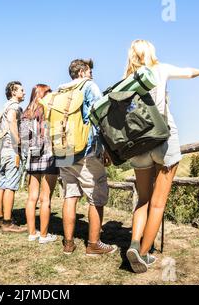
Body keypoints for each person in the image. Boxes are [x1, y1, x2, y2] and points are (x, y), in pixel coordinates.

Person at [124, 40, 199, 273]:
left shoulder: (127, 80)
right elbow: (186, 72)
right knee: (158, 203)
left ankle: (134, 244)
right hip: (163, 138)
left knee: (143, 199)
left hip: (138, 144)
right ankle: (143, 255)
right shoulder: (160, 69)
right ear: (150, 53)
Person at [56, 59, 118, 256]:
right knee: (95, 196)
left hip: (63, 149)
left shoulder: (61, 91)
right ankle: (93, 244)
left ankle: (68, 243)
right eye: (89, 70)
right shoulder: (89, 86)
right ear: (82, 72)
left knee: (70, 195)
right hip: (86, 148)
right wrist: (106, 148)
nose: (92, 74)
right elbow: (102, 116)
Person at [22, 84, 60, 244]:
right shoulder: (50, 112)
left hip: (33, 157)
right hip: (50, 156)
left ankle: (32, 233)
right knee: (46, 199)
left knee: (32, 198)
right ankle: (44, 236)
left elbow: (24, 142)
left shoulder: (26, 114)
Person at [0, 81, 28, 233]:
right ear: (13, 92)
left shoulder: (4, 106)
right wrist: (19, 142)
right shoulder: (14, 107)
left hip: (2, 151)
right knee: (10, 186)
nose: (24, 92)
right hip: (12, 150)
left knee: (1, 185)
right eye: (21, 90)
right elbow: (12, 120)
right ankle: (7, 223)